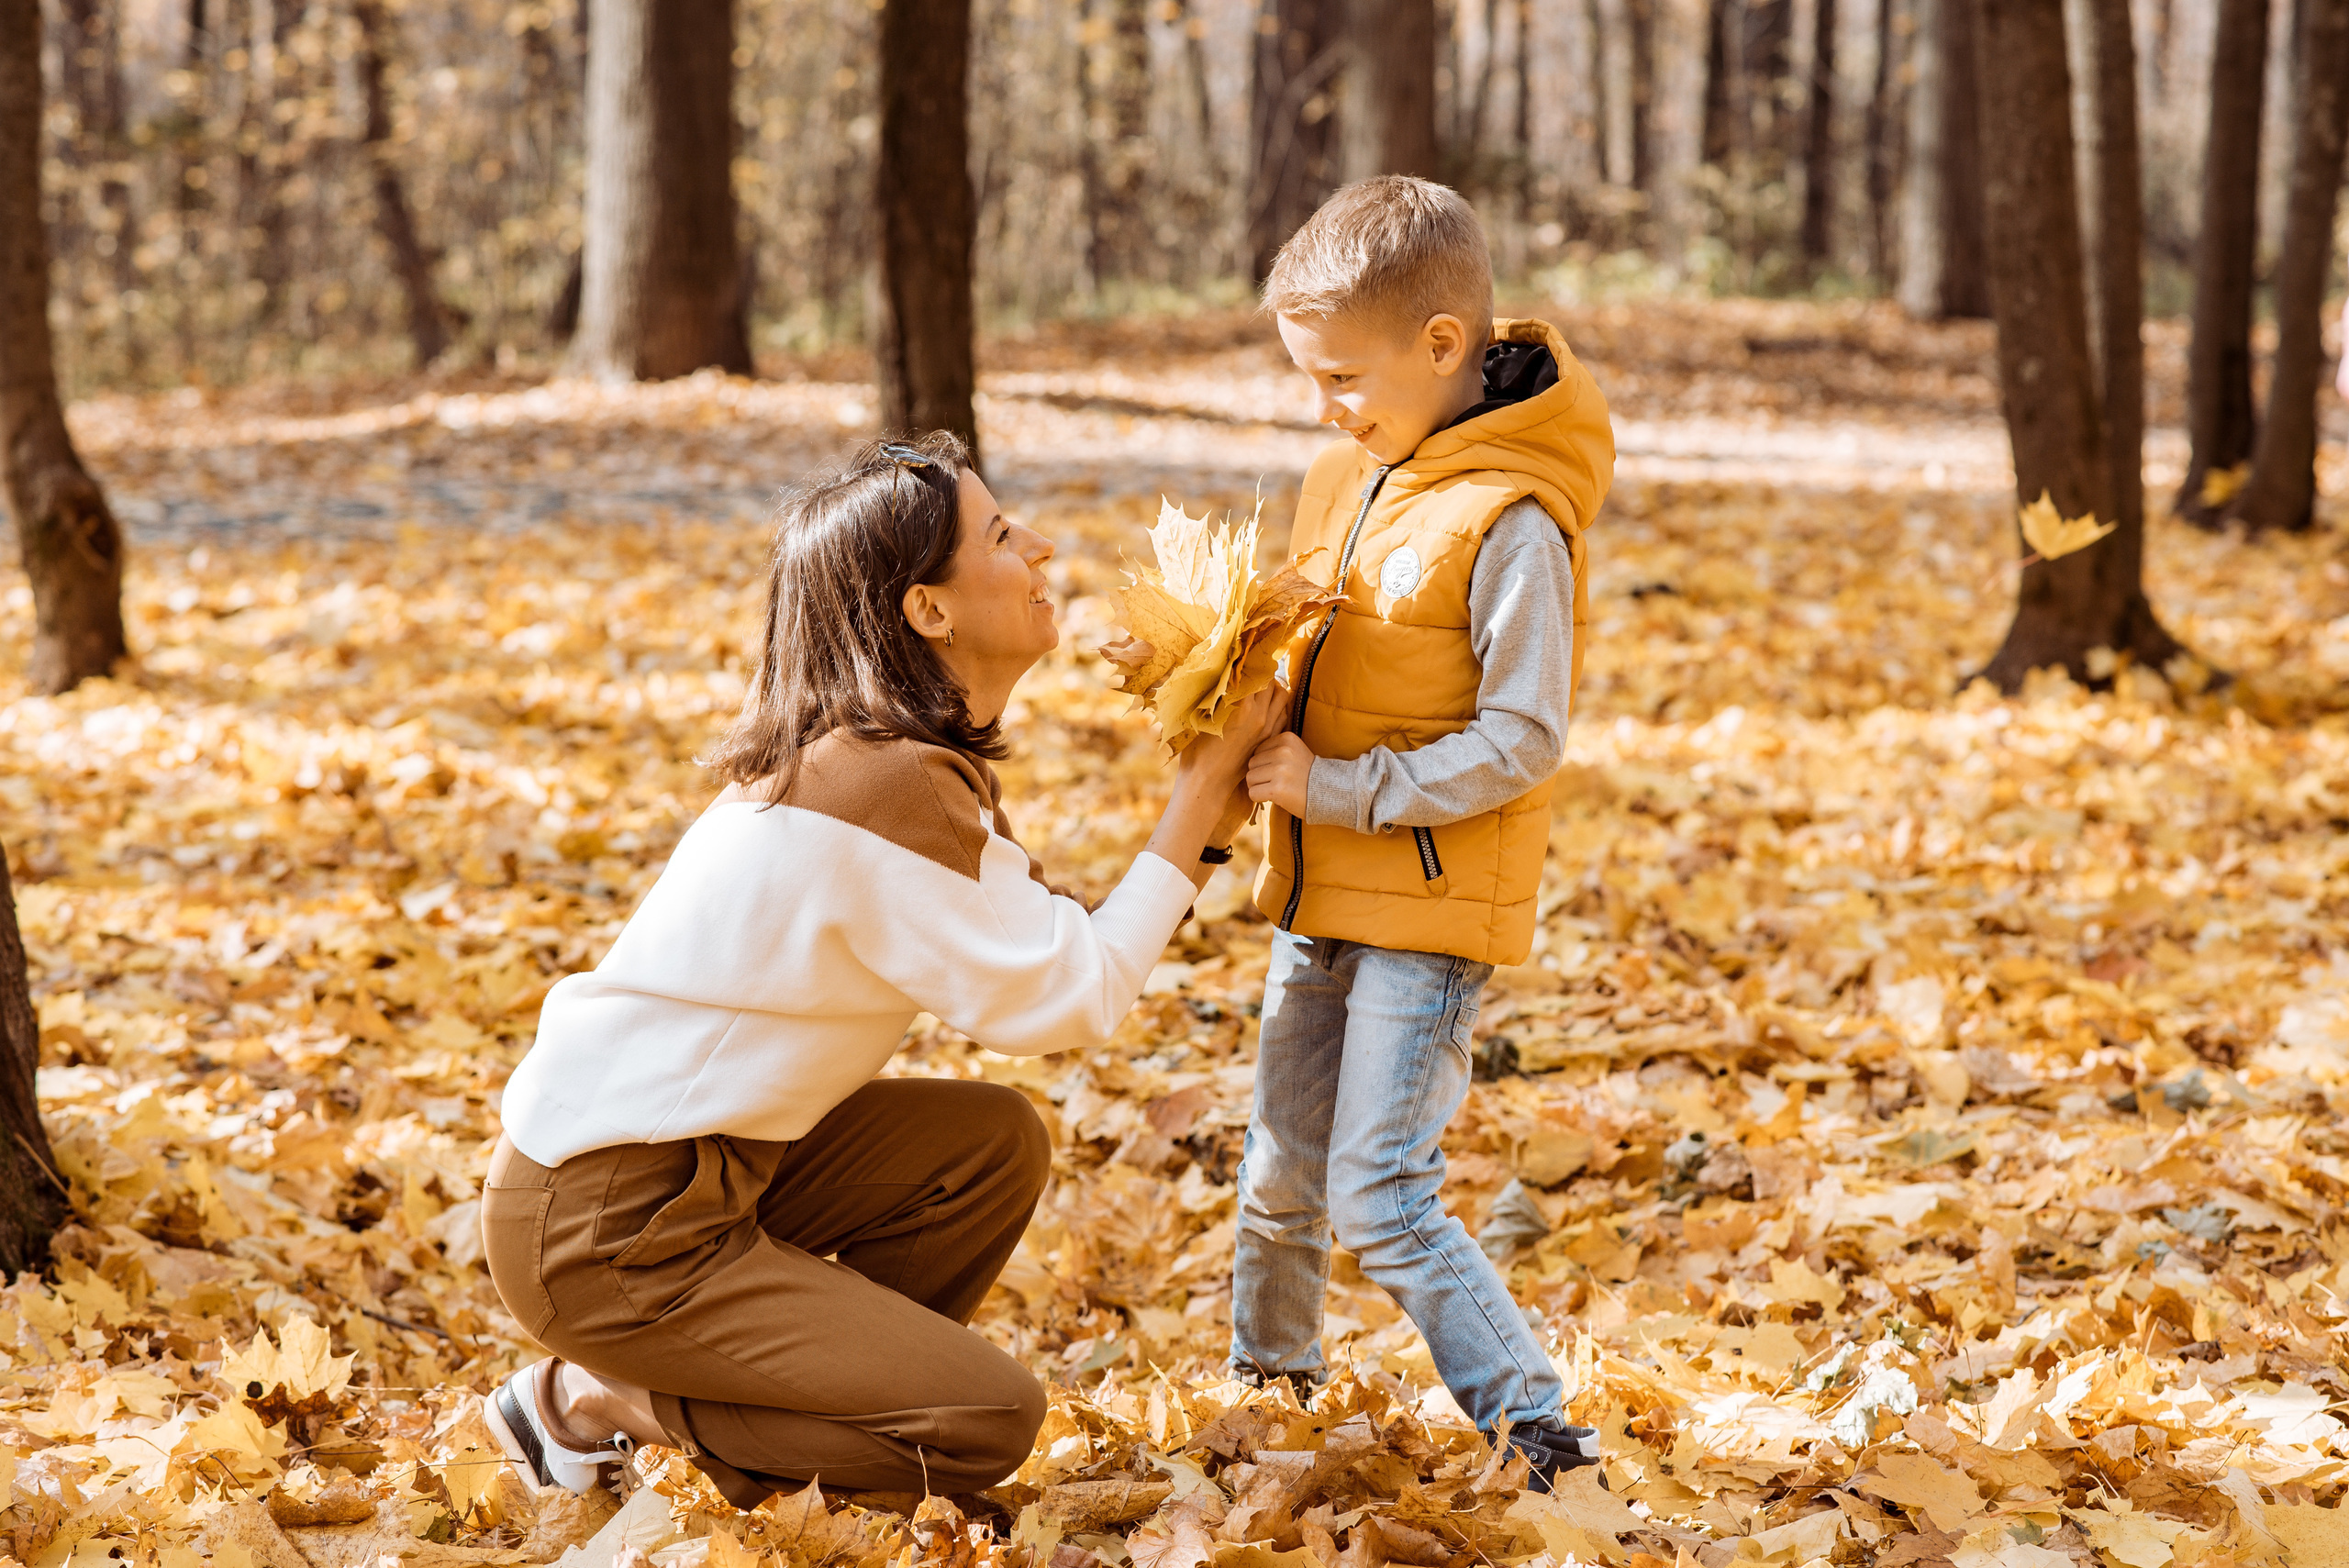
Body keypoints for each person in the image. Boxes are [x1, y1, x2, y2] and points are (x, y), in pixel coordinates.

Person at [478, 432, 1278, 1507]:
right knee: (988, 1419)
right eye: (1000, 534)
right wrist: (1199, 793)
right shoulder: (882, 781)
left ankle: (830, 1405)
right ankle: (603, 1397)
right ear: (928, 611)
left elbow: (1045, 946)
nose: (1040, 545)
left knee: (985, 1146)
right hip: (606, 1220)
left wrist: (1203, 819)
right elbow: (1070, 996)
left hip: (712, 1169)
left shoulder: (888, 760)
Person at [1230, 176, 1614, 1490]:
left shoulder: (1512, 520)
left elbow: (1524, 739)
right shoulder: (1348, 473)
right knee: (1279, 1172)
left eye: (1342, 377)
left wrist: (1342, 791)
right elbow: (1316, 651)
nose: (1324, 407)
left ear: (1443, 346)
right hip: (1316, 886)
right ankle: (1268, 1390)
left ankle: (1537, 1428)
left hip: (1430, 903)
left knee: (1380, 1196)